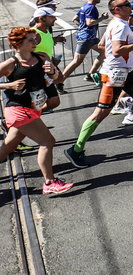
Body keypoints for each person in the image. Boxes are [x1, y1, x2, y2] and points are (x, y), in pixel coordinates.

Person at [64, 0, 133, 168]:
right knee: (100, 113)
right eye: (126, 5)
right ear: (116, 9)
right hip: (115, 75)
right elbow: (117, 50)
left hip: (125, 72)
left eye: (129, 4)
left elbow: (102, 44)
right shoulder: (120, 25)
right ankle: (76, 149)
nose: (130, 6)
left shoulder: (115, 23)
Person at [0, 26, 74, 195]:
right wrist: (9, 85)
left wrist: (54, 72)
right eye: (31, 40)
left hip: (33, 108)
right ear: (18, 43)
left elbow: (59, 79)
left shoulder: (41, 57)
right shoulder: (11, 64)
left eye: (35, 39)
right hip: (17, 109)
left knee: (8, 146)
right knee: (47, 141)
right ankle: (49, 182)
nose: (35, 42)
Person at [59, 0, 106, 86]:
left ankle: (91, 74)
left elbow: (74, 19)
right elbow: (89, 23)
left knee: (105, 51)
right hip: (86, 38)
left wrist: (81, 27)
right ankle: (60, 81)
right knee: (77, 61)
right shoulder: (91, 8)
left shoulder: (84, 6)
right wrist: (102, 18)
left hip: (90, 38)